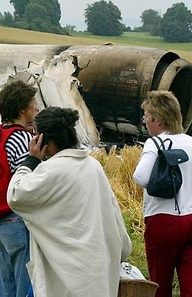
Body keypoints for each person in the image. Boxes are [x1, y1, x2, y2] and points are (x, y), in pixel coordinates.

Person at [7, 106, 132, 297]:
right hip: (96, 274)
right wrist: (121, 250)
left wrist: (31, 161)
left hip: (65, 278)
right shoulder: (93, 166)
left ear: (43, 140)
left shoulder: (50, 171)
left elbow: (16, 195)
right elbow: (113, 215)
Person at [133, 90, 192, 297]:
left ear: (158, 120)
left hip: (164, 221)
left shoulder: (154, 144)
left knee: (160, 284)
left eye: (146, 117)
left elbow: (141, 177)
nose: (145, 122)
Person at [0, 79, 37, 297]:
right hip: (16, 220)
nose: (36, 107)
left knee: (4, 288)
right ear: (22, 109)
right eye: (33, 103)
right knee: (22, 288)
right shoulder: (24, 139)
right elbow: (26, 183)